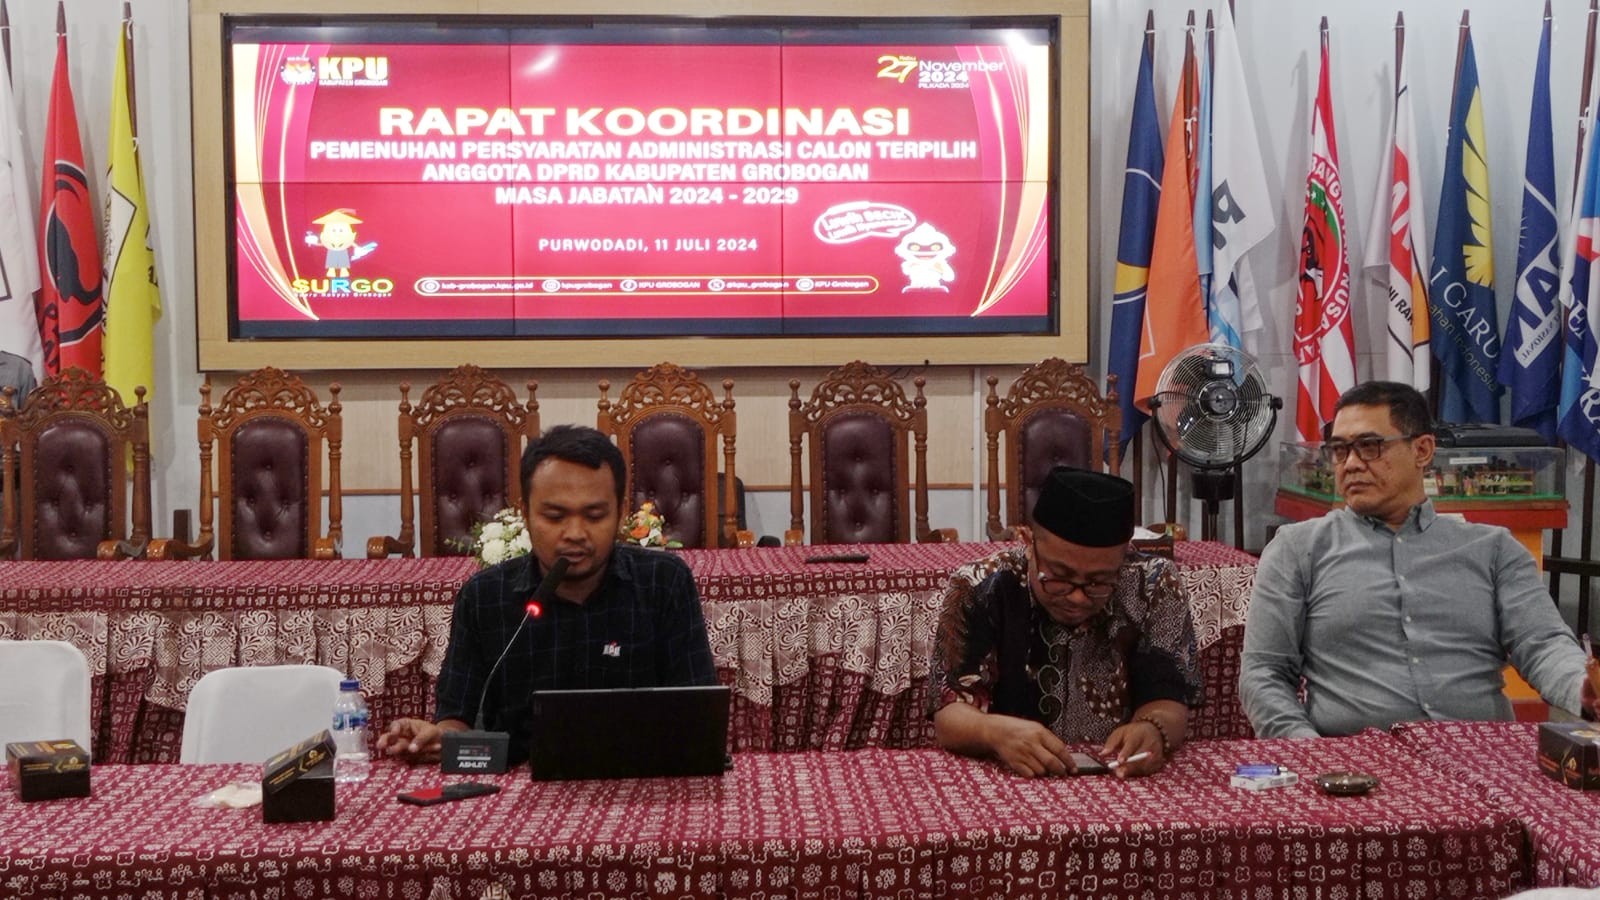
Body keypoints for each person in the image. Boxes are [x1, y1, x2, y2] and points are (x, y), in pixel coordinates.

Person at [1240, 381, 1600, 739]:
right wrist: (1310, 753)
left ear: (1423, 450)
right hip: (1353, 760)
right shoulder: (1297, 550)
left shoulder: (1494, 549)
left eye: (1369, 446)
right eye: (1339, 450)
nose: (1350, 464)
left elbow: (1543, 644)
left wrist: (1582, 687)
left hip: (1479, 753)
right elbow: (1264, 675)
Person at [379, 424, 717, 764]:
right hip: (517, 785)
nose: (575, 533)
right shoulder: (484, 597)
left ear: (620, 513)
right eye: (555, 516)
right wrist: (438, 739)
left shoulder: (663, 583)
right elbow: (457, 719)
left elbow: (699, 714)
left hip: (642, 780)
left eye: (595, 515)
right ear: (525, 514)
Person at [930, 465, 1203, 778]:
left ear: (1123, 558)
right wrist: (992, 732)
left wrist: (1152, 729)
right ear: (1030, 545)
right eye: (1059, 577)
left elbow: (1170, 699)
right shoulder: (981, 585)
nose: (1077, 598)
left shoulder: (1154, 584)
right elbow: (949, 713)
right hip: (1008, 779)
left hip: (1118, 781)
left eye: (1098, 582)